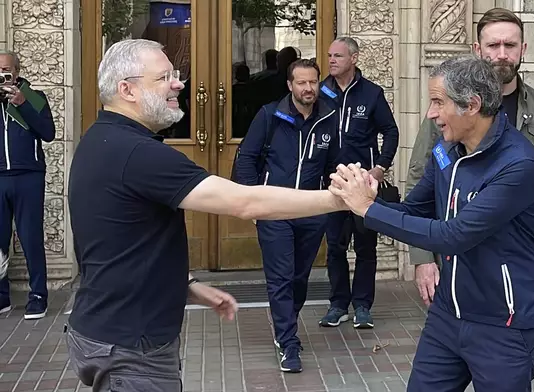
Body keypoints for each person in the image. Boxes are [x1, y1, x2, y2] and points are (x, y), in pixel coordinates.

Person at [66, 39, 349, 392]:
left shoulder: (101, 138)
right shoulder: (138, 154)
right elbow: (246, 203)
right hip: (131, 347)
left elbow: (121, 243)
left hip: (106, 330)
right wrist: (340, 200)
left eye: (176, 74)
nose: (178, 84)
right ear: (127, 89)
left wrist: (185, 287)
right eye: (164, 77)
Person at [329, 55, 534, 391]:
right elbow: (415, 209)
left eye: (437, 102)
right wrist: (371, 194)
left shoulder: (518, 166)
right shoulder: (447, 151)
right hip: (447, 316)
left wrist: (368, 208)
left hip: (503, 324)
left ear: (471, 105)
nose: (431, 114)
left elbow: (453, 236)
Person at [406, 7, 534, 309]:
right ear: (477, 49)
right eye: (493, 45)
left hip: (518, 259)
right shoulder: (450, 106)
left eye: (509, 45)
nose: (501, 54)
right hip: (457, 256)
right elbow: (421, 175)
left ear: (522, 49)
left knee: (511, 345)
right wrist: (422, 257)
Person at [234, 59, 339, 373]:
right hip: (274, 209)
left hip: (311, 210)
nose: (308, 89)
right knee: (280, 279)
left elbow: (334, 165)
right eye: (301, 83)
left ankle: (286, 326)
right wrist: (251, 201)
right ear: (290, 85)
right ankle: (288, 342)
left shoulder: (328, 117)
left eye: (313, 83)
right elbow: (247, 160)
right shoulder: (269, 116)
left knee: (299, 278)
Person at [318, 37, 399, 329]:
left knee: (366, 247)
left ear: (354, 58)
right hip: (332, 184)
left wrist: (379, 169)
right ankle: (338, 304)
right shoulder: (320, 92)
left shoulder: (372, 94)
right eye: (329, 56)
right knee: (336, 246)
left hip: (363, 185)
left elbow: (390, 131)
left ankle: (363, 306)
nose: (332, 60)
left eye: (338, 55)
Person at [0, 50, 55, 320]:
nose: (2, 75)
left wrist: (21, 103)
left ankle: (38, 297)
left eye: (7, 70)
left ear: (17, 72)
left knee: (31, 237)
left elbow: (48, 133)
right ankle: (1, 297)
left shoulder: (34, 97)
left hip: (28, 176)